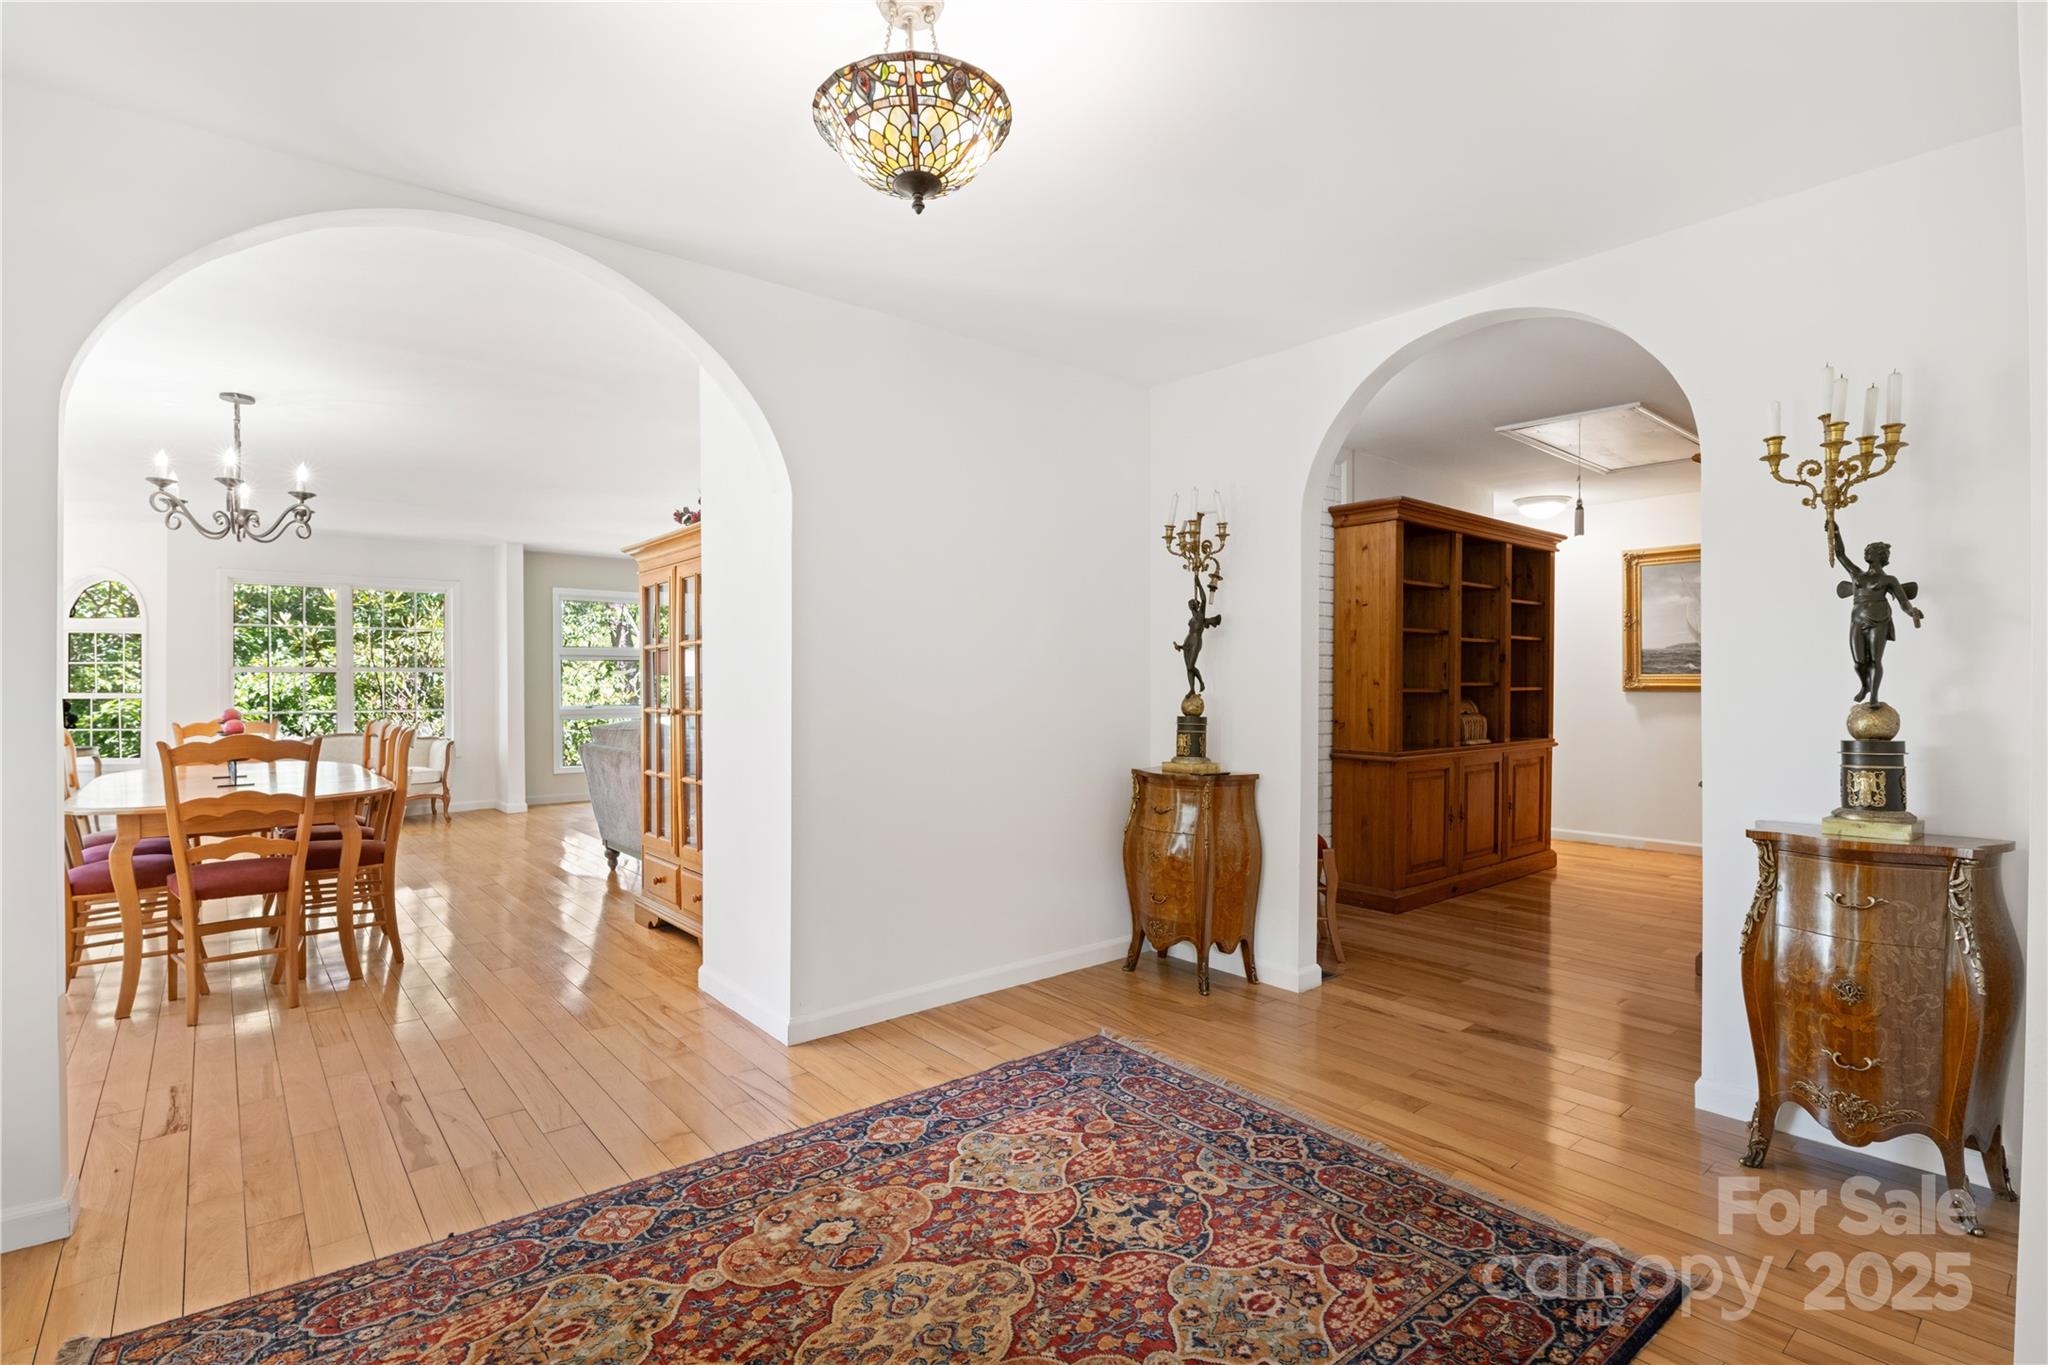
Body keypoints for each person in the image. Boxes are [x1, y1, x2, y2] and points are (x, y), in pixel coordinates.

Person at [1833, 527, 1922, 706]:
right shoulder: (1856, 574)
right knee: (1859, 661)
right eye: (1866, 550)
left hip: (1879, 619)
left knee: (1875, 660)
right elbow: (1840, 554)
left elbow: (1904, 603)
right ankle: (1865, 685)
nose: (1866, 552)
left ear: (1879, 556)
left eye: (1870, 550)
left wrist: (1912, 612)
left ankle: (1874, 696)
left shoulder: (1889, 580)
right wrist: (1836, 532)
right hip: (1857, 620)